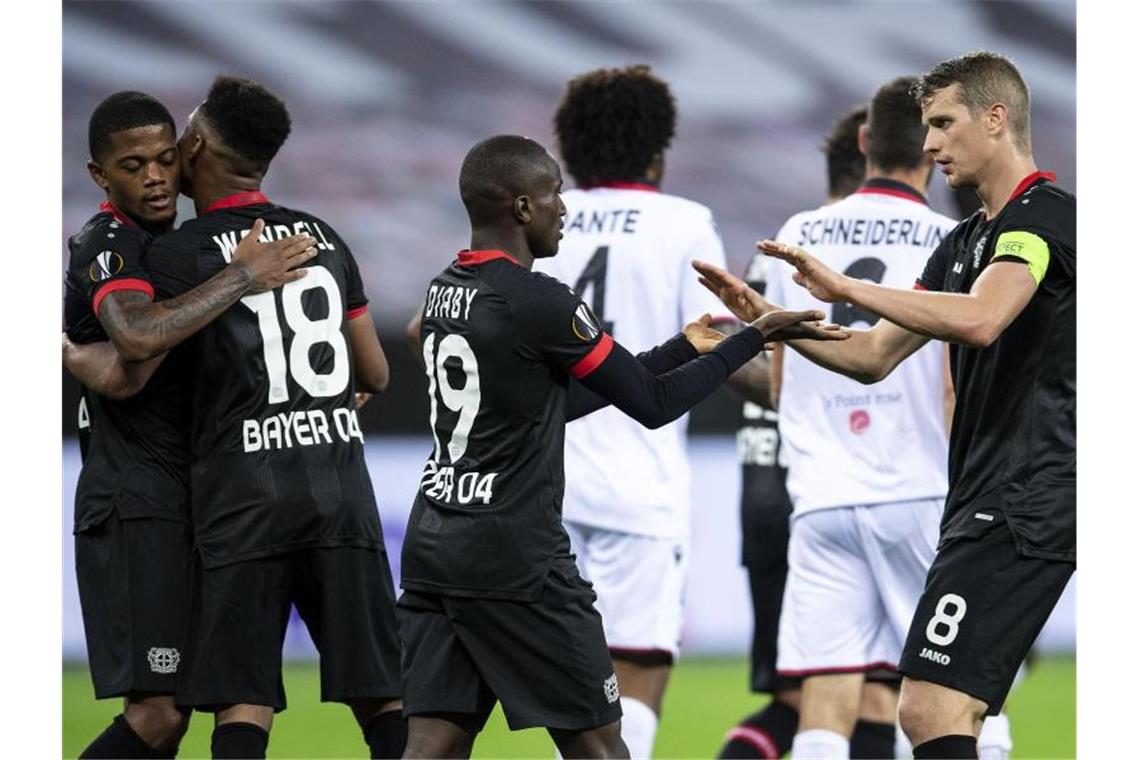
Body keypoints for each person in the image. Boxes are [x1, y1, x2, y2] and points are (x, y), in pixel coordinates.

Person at [397, 134, 846, 760]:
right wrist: (755, 336)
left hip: (435, 544)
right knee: (602, 743)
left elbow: (564, 403)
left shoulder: (443, 292)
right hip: (516, 556)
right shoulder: (539, 299)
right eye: (553, 194)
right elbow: (652, 406)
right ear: (523, 208)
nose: (565, 208)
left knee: (433, 744)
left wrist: (685, 346)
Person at [695, 51, 1074, 760]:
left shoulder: (1042, 219)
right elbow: (870, 357)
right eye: (925, 127)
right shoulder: (964, 239)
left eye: (943, 124)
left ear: (996, 119)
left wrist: (845, 284)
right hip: (977, 498)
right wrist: (775, 323)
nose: (929, 144)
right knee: (934, 709)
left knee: (941, 708)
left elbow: (982, 319)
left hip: (1027, 495)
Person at [120, 75, 402, 760]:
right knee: (386, 698)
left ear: (202, 145)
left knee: (243, 700)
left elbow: (141, 345)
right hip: (339, 493)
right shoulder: (324, 238)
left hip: (243, 498)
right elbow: (375, 373)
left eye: (187, 130)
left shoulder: (180, 253)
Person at [62, 90, 315, 759]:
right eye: (132, 164)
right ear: (100, 176)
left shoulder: (172, 248)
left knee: (242, 694)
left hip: (202, 497)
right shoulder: (106, 244)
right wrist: (240, 274)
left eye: (164, 159)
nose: (153, 176)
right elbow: (135, 342)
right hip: (136, 501)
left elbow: (126, 365)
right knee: (159, 717)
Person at [530, 64, 738, 759]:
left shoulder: (536, 218)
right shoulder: (684, 223)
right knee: (639, 665)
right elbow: (707, 343)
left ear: (571, 144)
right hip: (640, 486)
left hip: (542, 480)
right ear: (657, 148)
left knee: (551, 671)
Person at [718, 103, 869, 760]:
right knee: (879, 693)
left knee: (795, 697)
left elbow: (760, 377)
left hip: (765, 490)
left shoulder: (778, 253)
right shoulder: (894, 247)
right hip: (839, 490)